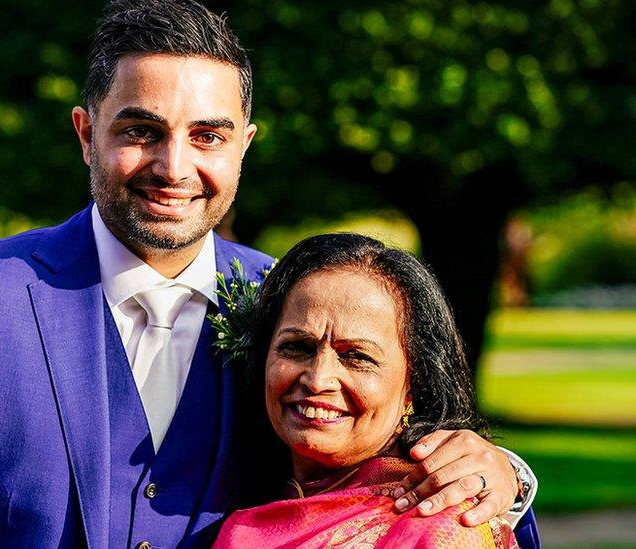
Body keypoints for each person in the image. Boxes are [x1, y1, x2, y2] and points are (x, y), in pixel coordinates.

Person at [0, 1, 538, 547]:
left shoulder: (295, 308)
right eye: (141, 131)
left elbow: (384, 465)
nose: (175, 167)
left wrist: (506, 475)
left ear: (245, 145)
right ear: (86, 134)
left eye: (208, 136)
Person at [216, 233, 523, 547]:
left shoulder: (437, 523)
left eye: (356, 357)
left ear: (414, 383)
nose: (318, 379)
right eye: (297, 347)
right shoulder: (245, 484)